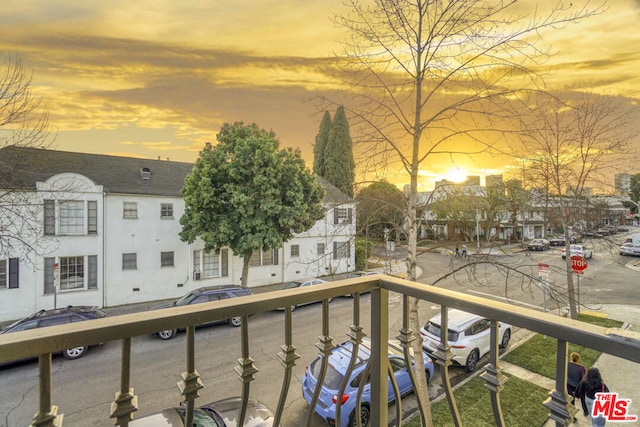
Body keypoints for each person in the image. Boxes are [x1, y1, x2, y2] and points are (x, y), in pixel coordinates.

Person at [566, 352, 588, 417]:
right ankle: (585, 411)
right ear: (578, 359)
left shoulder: (567, 364)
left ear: (571, 358)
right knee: (583, 399)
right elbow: (584, 379)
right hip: (578, 387)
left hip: (569, 385)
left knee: (571, 400)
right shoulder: (581, 368)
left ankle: (572, 415)